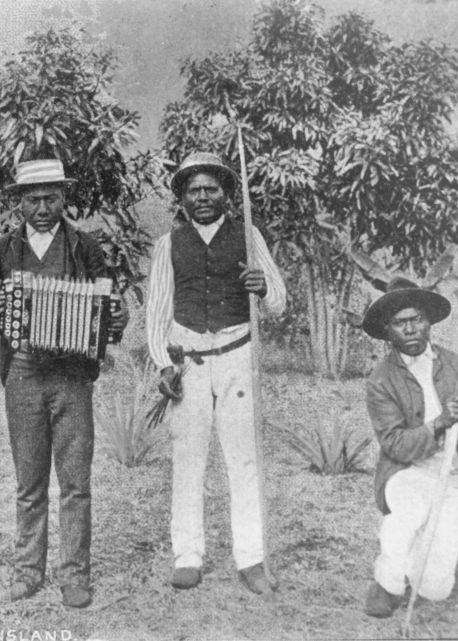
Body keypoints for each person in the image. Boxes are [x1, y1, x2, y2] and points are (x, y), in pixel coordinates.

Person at [0, 158, 129, 609]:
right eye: (32, 199)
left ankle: (74, 576)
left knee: (75, 482)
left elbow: (109, 315)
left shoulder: (86, 247)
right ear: (18, 202)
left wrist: (116, 319)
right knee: (29, 481)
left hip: (72, 376)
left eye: (51, 198)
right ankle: (27, 572)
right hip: (23, 372)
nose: (42, 207)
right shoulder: (3, 250)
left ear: (65, 197)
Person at [145, 151, 286, 594]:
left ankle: (251, 559)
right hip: (189, 360)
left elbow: (279, 301)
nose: (202, 197)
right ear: (182, 198)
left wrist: (262, 287)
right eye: (193, 190)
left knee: (242, 459)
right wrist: (164, 364)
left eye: (211, 188)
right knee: (188, 460)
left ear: (226, 193)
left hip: (237, 356)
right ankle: (188, 555)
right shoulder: (170, 243)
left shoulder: (248, 236)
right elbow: (156, 314)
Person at [361, 276, 458, 618]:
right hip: (407, 472)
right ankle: (387, 582)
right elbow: (395, 444)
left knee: (436, 588)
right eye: (400, 323)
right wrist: (441, 421)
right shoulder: (381, 379)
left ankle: (416, 566)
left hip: (451, 476)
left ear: (429, 322)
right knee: (406, 516)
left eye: (417, 320)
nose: (410, 330)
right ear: (388, 330)